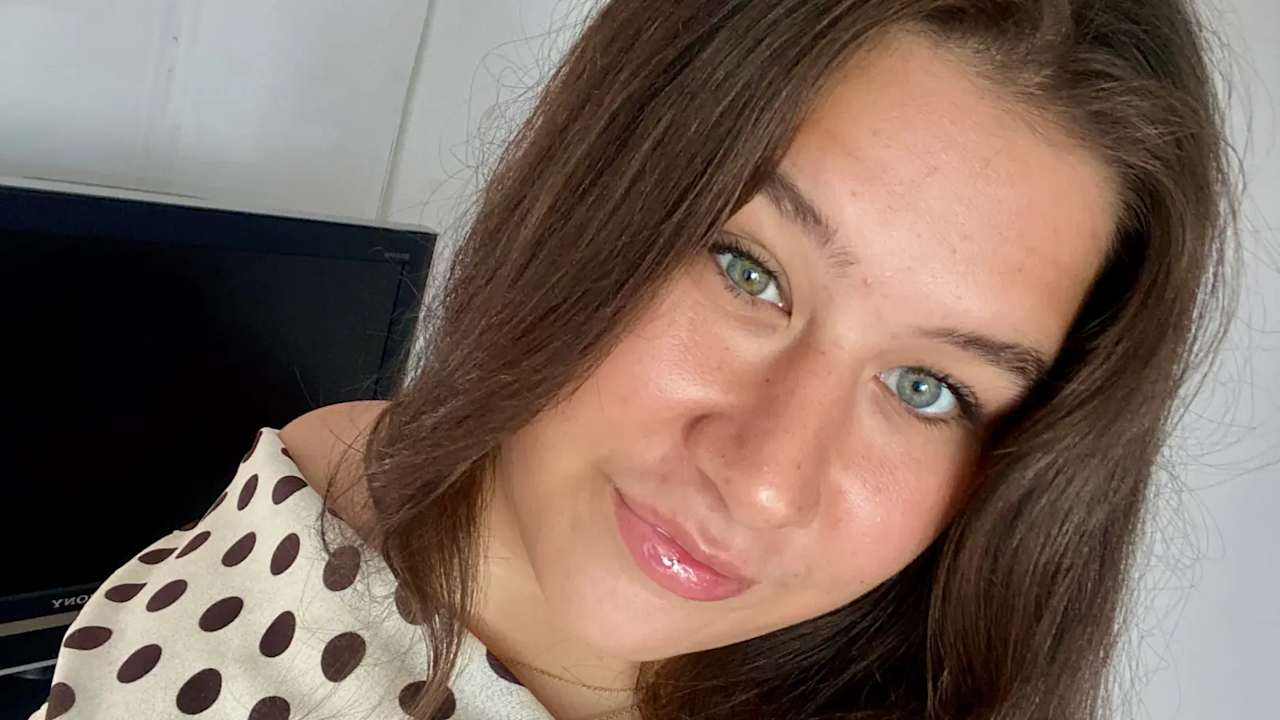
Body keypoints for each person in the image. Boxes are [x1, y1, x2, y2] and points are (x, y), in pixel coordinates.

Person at [34, 1, 1239, 719]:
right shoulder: (312, 501)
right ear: (594, 192)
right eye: (746, 269)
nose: (762, 480)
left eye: (927, 390)